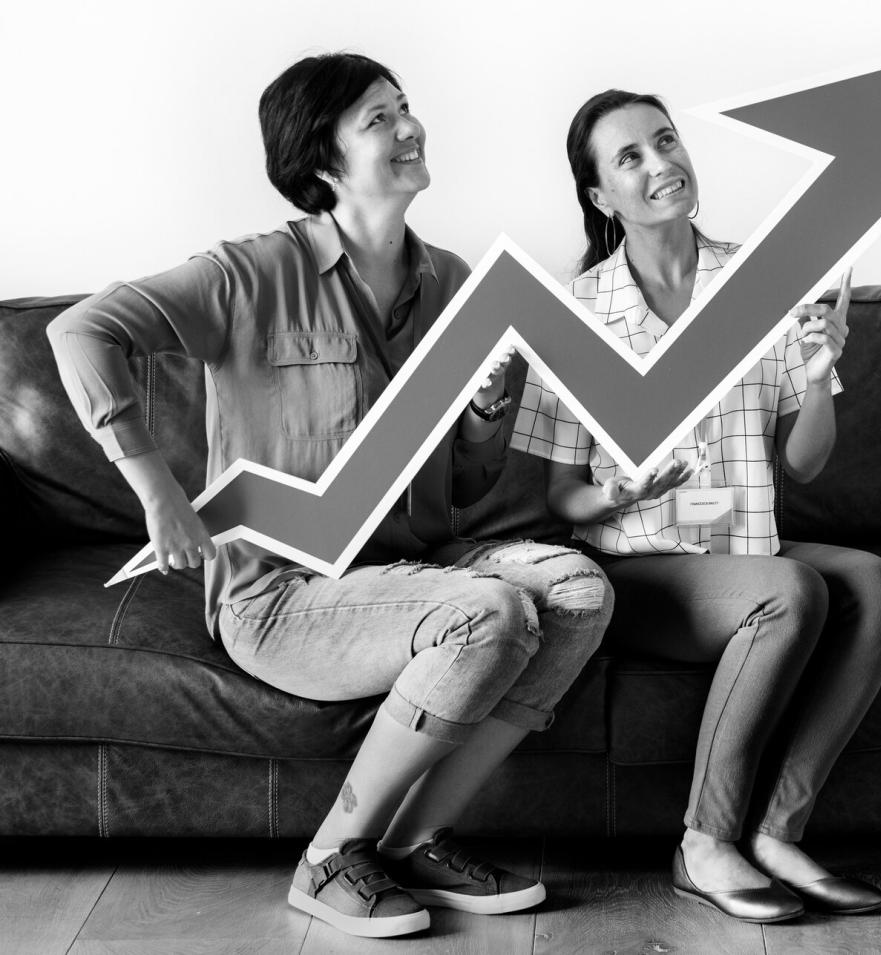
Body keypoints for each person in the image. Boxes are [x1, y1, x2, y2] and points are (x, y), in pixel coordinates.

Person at [47, 54, 613, 940]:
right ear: (322, 160)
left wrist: (482, 421)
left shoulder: (452, 282)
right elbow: (80, 330)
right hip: (283, 595)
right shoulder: (246, 274)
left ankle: (417, 837)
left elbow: (466, 490)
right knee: (487, 612)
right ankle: (330, 857)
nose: (409, 127)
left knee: (577, 590)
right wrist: (157, 490)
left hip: (421, 566)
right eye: (378, 118)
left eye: (406, 107)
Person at [511, 89, 881, 923]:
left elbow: (805, 464)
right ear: (600, 196)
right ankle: (705, 841)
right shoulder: (575, 314)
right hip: (640, 567)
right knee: (788, 590)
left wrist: (818, 376)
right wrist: (614, 493)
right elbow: (561, 498)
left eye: (666, 141)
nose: (661, 164)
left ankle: (777, 832)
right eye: (631, 157)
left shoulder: (762, 283)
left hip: (745, 545)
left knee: (874, 582)